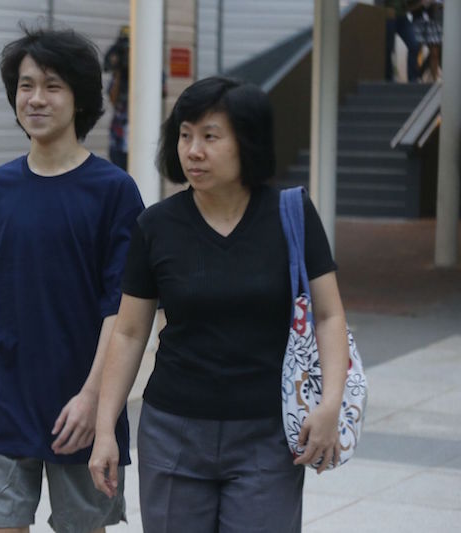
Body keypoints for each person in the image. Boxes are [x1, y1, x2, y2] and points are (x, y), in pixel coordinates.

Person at [88, 77, 350, 532]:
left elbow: (328, 316)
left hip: (265, 436)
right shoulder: (156, 226)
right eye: (185, 135)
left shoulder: (291, 215)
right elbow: (130, 332)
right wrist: (106, 428)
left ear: (246, 141)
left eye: (210, 136)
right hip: (172, 433)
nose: (193, 150)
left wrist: (330, 404)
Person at [0, 26, 145, 533]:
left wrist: (95, 400)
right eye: (25, 86)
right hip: (3, 408)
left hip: (81, 407)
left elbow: (121, 313)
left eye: (52, 85)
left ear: (80, 97)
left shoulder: (114, 192)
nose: (36, 98)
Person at [104, 26, 130, 171]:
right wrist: (118, 71)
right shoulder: (118, 74)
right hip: (119, 135)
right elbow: (113, 99)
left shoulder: (147, 66)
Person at [384, 0, 422, 82]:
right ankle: (388, 78)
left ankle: (413, 79)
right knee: (388, 48)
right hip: (388, 16)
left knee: (414, 45)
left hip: (402, 17)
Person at [412, 0, 443, 81]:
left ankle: (434, 79)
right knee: (416, 49)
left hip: (434, 19)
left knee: (435, 53)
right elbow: (409, 6)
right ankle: (415, 77)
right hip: (418, 18)